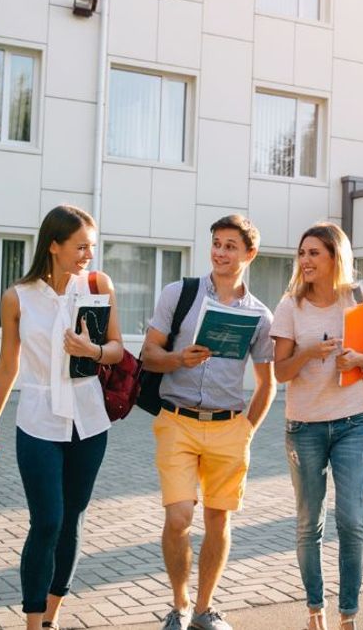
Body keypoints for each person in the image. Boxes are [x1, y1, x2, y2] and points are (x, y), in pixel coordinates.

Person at [0, 205, 123, 630]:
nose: (88, 254)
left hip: (89, 421)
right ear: (53, 245)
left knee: (72, 519)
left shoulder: (98, 284)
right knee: (47, 520)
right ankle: (33, 623)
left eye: (91, 245)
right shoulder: (18, 296)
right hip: (38, 420)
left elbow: (117, 350)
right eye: (80, 246)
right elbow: (7, 365)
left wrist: (90, 351)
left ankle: (52, 617)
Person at [140, 214, 278, 630]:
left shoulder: (259, 315)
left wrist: (246, 431)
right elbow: (148, 355)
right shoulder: (178, 294)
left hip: (228, 427)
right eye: (216, 243)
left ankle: (204, 610)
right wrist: (179, 359)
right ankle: (179, 606)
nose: (220, 252)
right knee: (179, 517)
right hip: (177, 420)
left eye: (230, 245)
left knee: (219, 519)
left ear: (249, 254)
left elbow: (267, 384)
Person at [270, 223, 363, 630]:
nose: (305, 261)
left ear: (335, 257)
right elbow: (280, 373)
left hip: (353, 420)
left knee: (352, 520)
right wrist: (306, 352)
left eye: (314, 253)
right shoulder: (290, 306)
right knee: (309, 522)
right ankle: (314, 608)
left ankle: (348, 613)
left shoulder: (357, 298)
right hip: (304, 427)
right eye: (302, 253)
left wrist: (360, 360)